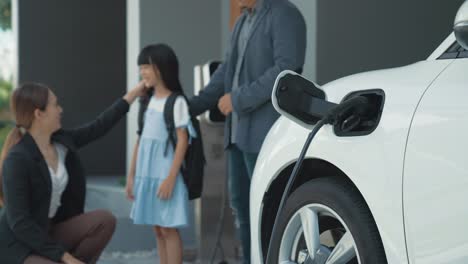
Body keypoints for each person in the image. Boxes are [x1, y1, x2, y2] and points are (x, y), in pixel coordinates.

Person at [189, 0, 306, 262]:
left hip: (266, 134)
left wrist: (238, 99)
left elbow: (286, 70)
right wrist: (192, 105)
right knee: (244, 210)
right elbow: (226, 71)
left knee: (270, 211)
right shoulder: (242, 21)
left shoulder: (285, 14)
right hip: (238, 136)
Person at [0, 81, 146, 264]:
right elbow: (20, 224)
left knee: (104, 220)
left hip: (51, 230)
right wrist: (65, 256)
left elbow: (99, 126)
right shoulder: (17, 160)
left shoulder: (62, 142)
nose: (60, 110)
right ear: (39, 114)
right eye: (55, 105)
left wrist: (132, 95)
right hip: (19, 245)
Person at [126, 44, 195, 264]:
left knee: (168, 228)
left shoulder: (177, 102)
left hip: (166, 174)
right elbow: (141, 141)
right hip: (147, 174)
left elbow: (183, 141)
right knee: (158, 228)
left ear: (162, 68)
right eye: (141, 67)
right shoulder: (147, 102)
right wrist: (131, 176)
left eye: (147, 66)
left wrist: (170, 179)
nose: (142, 72)